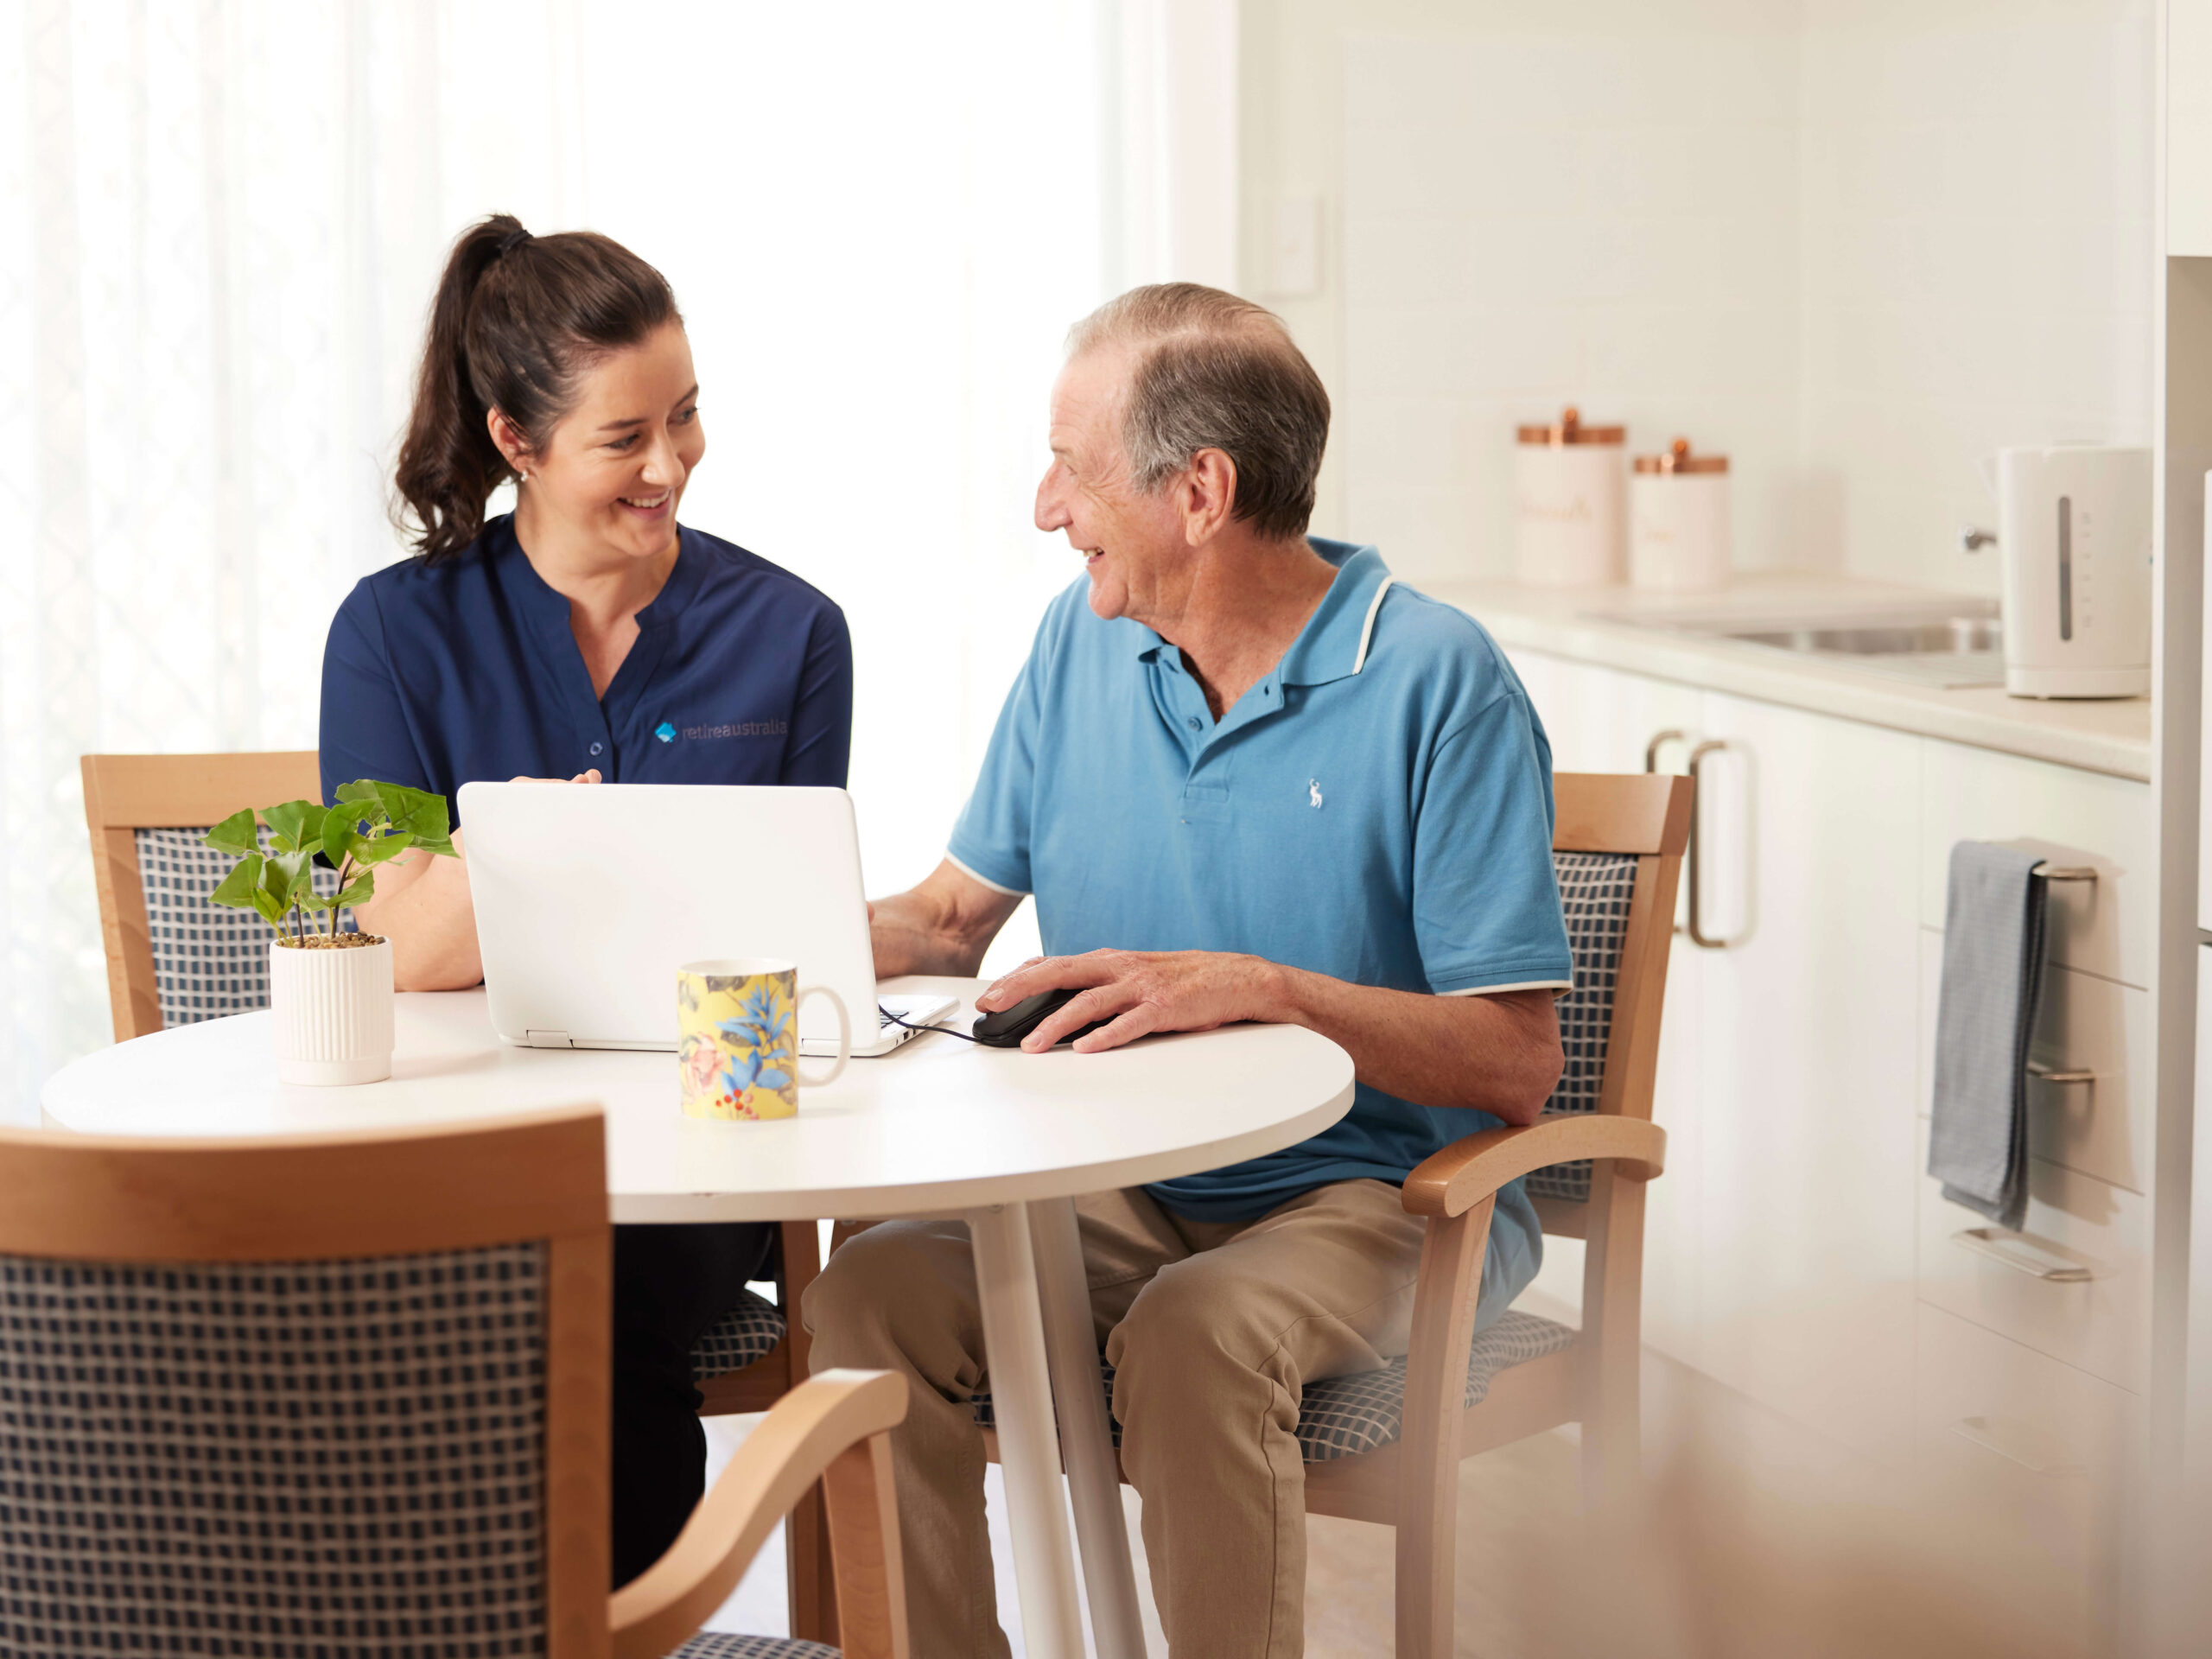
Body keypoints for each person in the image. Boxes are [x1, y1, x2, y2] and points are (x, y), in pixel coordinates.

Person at [804, 283, 1572, 1658]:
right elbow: (946, 924)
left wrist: (1266, 987)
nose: (1047, 507)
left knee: (1194, 1332)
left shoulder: (1439, 682)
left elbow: (1515, 1061)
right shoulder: (1079, 648)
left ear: (1200, 491)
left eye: (1073, 467)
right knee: (868, 1300)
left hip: (1378, 1196)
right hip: (1125, 1186)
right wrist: (738, 922)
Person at [317, 214, 853, 1586]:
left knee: (594, 1294)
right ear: (516, 442)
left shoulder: (792, 634)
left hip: (700, 1163)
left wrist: (514, 853)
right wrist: (597, 851)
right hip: (452, 1146)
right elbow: (402, 943)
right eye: (625, 438)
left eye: (684, 418)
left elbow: (781, 950)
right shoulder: (394, 633)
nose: (668, 464)